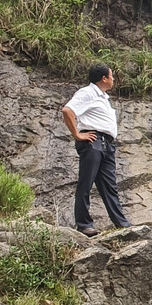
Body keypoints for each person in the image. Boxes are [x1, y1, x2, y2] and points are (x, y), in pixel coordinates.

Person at [61, 65, 131, 236]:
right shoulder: (88, 93)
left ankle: (122, 224)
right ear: (104, 78)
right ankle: (84, 225)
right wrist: (77, 134)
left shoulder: (103, 98)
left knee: (109, 186)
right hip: (93, 141)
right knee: (86, 182)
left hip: (106, 144)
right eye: (112, 76)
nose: (113, 79)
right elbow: (67, 110)